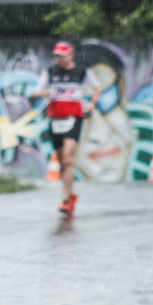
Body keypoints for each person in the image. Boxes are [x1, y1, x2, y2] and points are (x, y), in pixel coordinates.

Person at [35, 41, 98, 214]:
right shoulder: (50, 72)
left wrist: (92, 103)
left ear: (71, 55)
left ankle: (65, 199)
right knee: (62, 161)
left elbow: (97, 87)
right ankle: (70, 195)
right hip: (55, 119)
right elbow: (37, 91)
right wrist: (44, 93)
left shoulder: (82, 72)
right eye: (56, 56)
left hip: (74, 118)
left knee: (68, 159)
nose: (59, 59)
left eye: (62, 56)